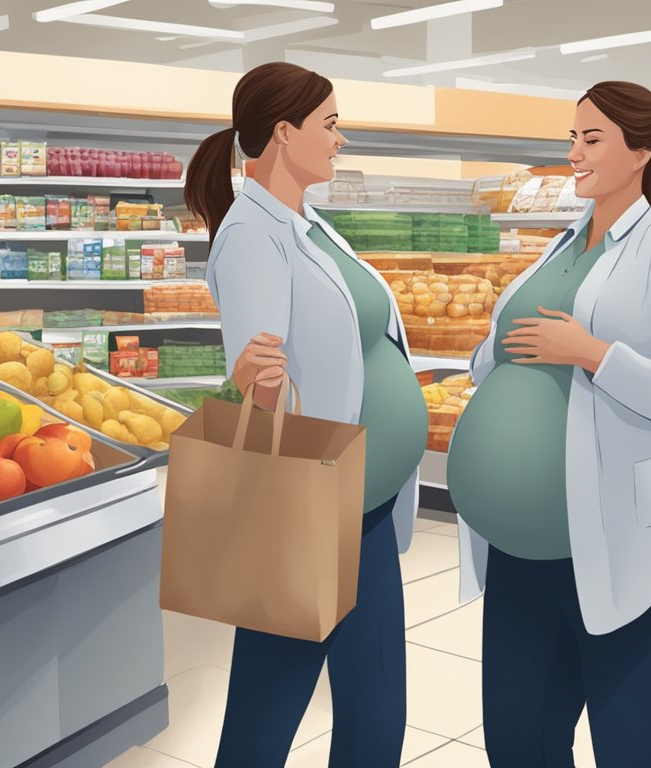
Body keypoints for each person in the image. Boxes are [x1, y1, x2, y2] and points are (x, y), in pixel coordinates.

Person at [445, 81, 651, 768]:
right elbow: (503, 348)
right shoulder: (563, 243)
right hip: (524, 550)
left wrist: (594, 355)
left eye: (591, 138)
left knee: (638, 746)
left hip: (624, 544)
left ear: (641, 152)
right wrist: (498, 362)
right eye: (572, 137)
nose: (572, 152)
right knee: (519, 742)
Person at [185, 62, 427, 768]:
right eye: (330, 124)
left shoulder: (307, 224)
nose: (340, 139)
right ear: (285, 134)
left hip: (364, 508)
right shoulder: (252, 235)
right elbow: (259, 373)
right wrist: (258, 388)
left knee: (378, 713)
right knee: (266, 715)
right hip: (308, 511)